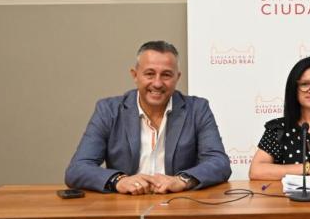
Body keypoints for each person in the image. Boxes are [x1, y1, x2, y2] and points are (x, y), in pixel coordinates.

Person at [65, 41, 231, 194]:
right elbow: (77, 169)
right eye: (150, 74)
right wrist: (119, 181)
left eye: (166, 75)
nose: (157, 83)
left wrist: (181, 181)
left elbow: (219, 163)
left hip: (178, 206)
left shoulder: (197, 109)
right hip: (125, 208)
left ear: (177, 78)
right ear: (135, 75)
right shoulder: (109, 110)